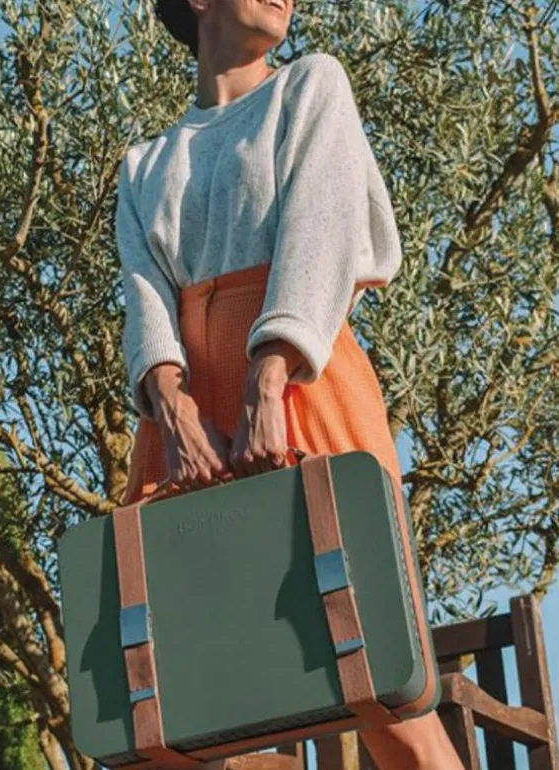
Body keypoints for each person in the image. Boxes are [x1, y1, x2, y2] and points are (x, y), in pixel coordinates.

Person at [114, 2, 466, 769]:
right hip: (186, 431)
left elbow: (323, 233)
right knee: (171, 706)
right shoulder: (143, 165)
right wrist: (174, 412)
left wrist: (266, 380)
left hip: (306, 388)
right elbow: (145, 302)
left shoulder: (311, 86)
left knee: (382, 686)